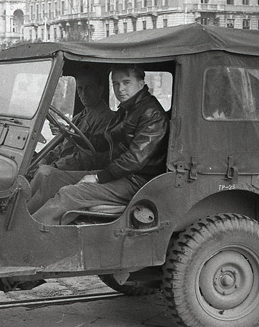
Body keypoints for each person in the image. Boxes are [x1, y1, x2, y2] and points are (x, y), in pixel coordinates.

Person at [32, 65, 169, 225]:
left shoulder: (152, 114)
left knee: (70, 194)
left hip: (136, 181)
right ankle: (21, 220)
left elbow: (134, 160)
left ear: (141, 83)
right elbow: (102, 142)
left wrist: (98, 177)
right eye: (116, 84)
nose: (120, 89)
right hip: (118, 174)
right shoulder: (127, 109)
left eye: (126, 82)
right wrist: (72, 135)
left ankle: (30, 234)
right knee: (49, 176)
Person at [28, 72, 114, 213]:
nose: (83, 93)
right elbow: (64, 146)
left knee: (45, 173)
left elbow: (91, 158)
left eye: (89, 87)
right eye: (80, 88)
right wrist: (45, 159)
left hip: (85, 171)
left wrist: (55, 165)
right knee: (32, 169)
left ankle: (26, 216)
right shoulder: (80, 116)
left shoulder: (107, 119)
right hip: (68, 165)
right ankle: (19, 208)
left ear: (100, 89)